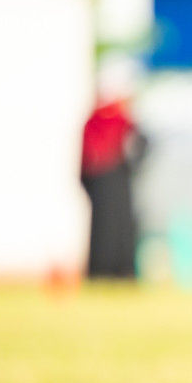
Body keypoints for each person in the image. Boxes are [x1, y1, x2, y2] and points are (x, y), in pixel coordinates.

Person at [79, 60, 146, 280]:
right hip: (107, 180)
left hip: (114, 180)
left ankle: (118, 270)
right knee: (106, 232)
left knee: (119, 229)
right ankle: (108, 271)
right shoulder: (109, 119)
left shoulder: (116, 119)